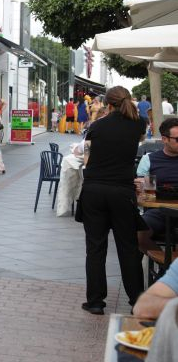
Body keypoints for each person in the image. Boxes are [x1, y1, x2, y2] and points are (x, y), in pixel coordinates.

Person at [79, 86, 146, 315]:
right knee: (128, 247)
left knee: (95, 247)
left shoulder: (96, 127)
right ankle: (137, 300)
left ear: (108, 104)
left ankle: (96, 301)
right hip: (122, 191)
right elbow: (138, 141)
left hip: (94, 190)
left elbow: (86, 159)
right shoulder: (139, 123)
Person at [135, 118, 178, 251]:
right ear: (165, 139)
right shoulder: (149, 159)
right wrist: (139, 186)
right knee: (138, 234)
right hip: (158, 211)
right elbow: (141, 186)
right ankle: (165, 267)